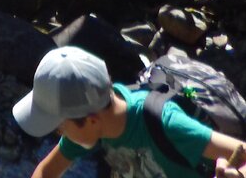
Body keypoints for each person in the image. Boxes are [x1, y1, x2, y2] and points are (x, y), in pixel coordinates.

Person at [13, 46, 246, 178]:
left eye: (59, 128)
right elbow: (46, 172)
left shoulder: (166, 123)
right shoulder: (97, 122)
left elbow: (243, 153)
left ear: (91, 120)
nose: (60, 135)